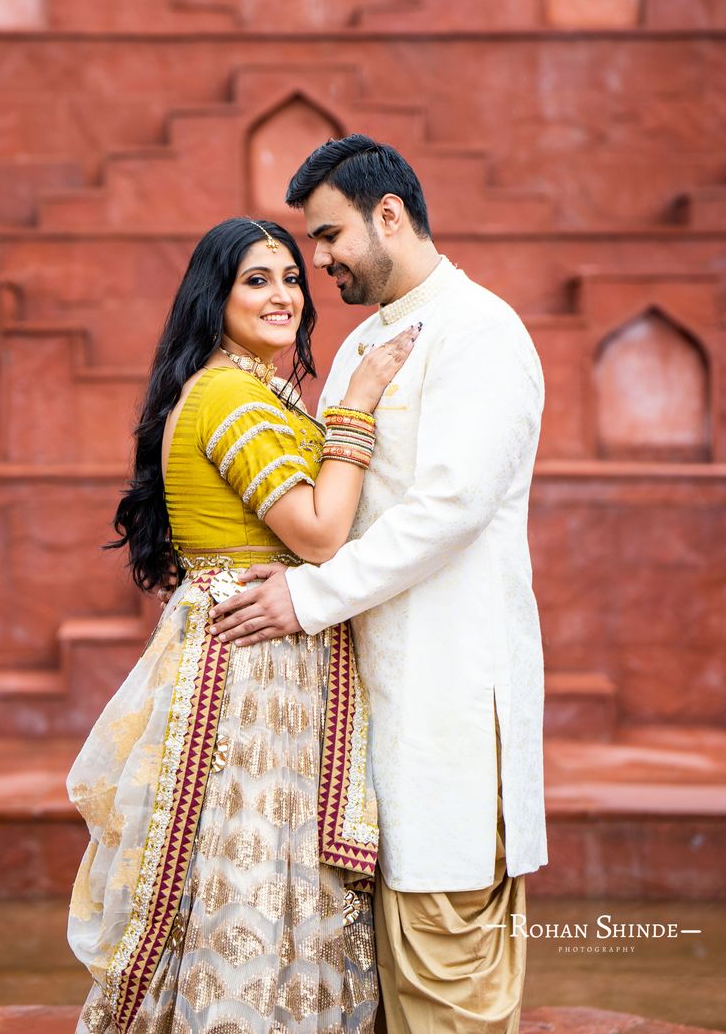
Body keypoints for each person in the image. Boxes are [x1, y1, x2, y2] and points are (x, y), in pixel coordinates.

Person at [209, 137, 548, 1034]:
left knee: (447, 985)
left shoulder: (481, 331)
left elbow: (451, 508)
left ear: (387, 214)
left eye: (328, 237)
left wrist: (303, 600)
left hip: (446, 712)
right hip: (365, 720)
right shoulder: (365, 339)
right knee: (381, 998)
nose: (316, 263)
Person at [65, 215, 419, 1034]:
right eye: (256, 280)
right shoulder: (230, 394)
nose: (283, 295)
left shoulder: (260, 389)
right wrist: (357, 402)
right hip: (249, 676)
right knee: (248, 888)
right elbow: (320, 532)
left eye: (292, 277)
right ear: (213, 296)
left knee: (272, 885)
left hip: (271, 657)